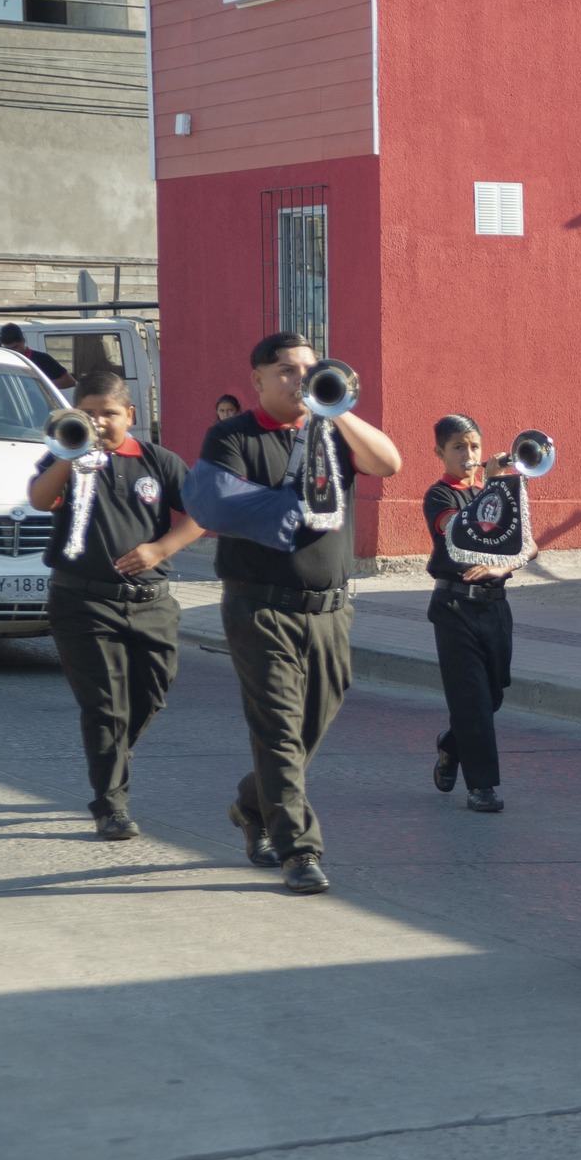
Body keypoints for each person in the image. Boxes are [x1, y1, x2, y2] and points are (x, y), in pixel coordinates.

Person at [184, 332, 403, 894]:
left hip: (330, 611)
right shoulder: (233, 435)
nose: (299, 379)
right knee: (279, 730)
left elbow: (389, 462)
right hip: (259, 607)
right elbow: (216, 504)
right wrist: (284, 505)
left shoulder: (332, 432)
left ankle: (251, 805)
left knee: (307, 730)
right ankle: (299, 850)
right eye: (285, 370)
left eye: (309, 369)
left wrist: (338, 411)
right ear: (257, 379)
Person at [26, 370, 205, 839]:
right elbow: (40, 499)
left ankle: (112, 757)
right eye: (88, 413)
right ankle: (111, 804)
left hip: (151, 602)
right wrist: (71, 452)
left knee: (152, 694)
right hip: (82, 602)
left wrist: (159, 550)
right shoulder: (66, 453)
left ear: (129, 415)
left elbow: (201, 515)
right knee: (105, 707)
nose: (99, 421)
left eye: (108, 413)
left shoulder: (157, 460)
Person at [424, 414, 533, 812]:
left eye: (473, 446)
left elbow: (528, 544)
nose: (468, 454)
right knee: (471, 698)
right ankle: (482, 787)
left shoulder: (500, 490)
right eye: (458, 447)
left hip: (494, 603)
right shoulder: (440, 495)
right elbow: (463, 530)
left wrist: (501, 568)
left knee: (492, 696)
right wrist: (492, 484)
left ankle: (452, 745)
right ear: (440, 453)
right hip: (454, 606)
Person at [0, 323, 74, 390]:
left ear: (23, 341)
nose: (13, 352)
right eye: (7, 349)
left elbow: (69, 382)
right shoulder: (0, 362)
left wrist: (38, 384)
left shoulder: (42, 359)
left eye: (15, 347)